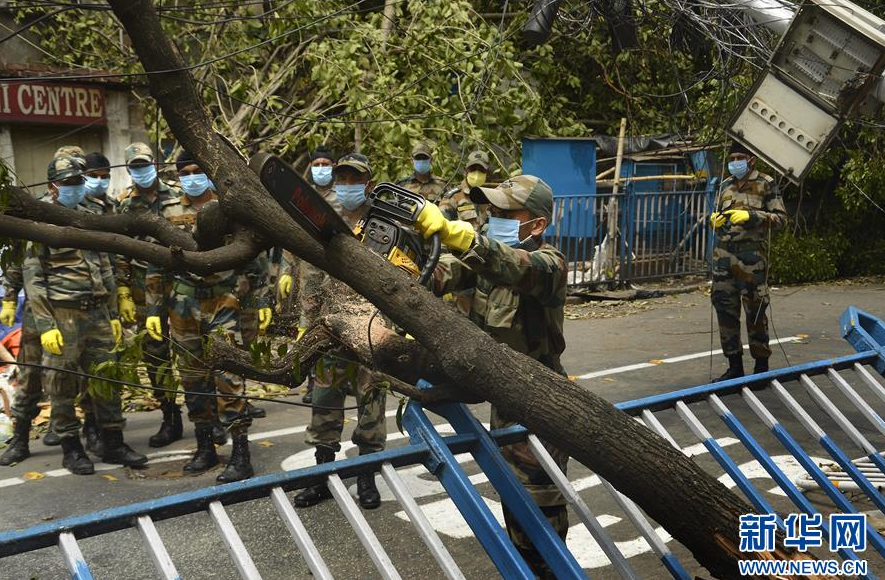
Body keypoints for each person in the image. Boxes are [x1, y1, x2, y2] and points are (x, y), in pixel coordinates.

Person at [412, 175, 569, 580]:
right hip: (502, 398)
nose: (493, 217)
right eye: (491, 211)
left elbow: (513, 266)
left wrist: (461, 236)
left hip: (540, 406)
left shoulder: (549, 264)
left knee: (541, 516)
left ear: (536, 224)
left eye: (505, 212)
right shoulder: (482, 261)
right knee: (513, 505)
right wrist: (406, 260)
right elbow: (442, 272)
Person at [18, 155, 147, 475]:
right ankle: (71, 447)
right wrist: (46, 324)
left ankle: (113, 442)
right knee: (60, 383)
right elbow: (33, 279)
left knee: (107, 377)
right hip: (63, 314)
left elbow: (104, 265)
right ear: (52, 186)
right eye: (68, 184)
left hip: (98, 311)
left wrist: (115, 314)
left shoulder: (89, 216)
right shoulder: (39, 222)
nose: (76, 188)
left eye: (78, 182)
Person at [145, 150, 258, 482]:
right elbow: (155, 262)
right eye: (185, 171)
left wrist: (256, 301)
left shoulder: (229, 209)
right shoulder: (166, 212)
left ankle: (241, 452)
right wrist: (154, 310)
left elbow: (254, 257)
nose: (192, 176)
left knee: (229, 376)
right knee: (193, 379)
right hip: (183, 305)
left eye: (198, 170)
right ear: (178, 177)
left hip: (225, 301)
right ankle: (205, 446)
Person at [292, 153, 385, 510]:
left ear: (369, 184)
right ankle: (321, 478)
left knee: (371, 407)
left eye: (354, 179)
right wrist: (306, 329)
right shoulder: (322, 225)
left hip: (371, 330)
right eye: (341, 179)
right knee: (324, 406)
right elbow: (312, 279)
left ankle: (367, 477)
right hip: (329, 331)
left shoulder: (384, 227)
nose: (347, 186)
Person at [115, 143, 184, 447]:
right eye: (135, 166)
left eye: (145, 164)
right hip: (144, 287)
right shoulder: (124, 205)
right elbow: (119, 251)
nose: (141, 171)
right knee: (155, 353)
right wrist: (123, 290)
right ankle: (170, 416)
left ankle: (209, 413)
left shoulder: (178, 195)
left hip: (182, 281)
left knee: (193, 346)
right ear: (129, 169)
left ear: (155, 164)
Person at [710, 141, 787, 381]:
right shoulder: (725, 185)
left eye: (739, 158)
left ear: (751, 159)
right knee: (725, 311)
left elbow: (781, 219)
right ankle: (734, 367)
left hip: (752, 261)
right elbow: (714, 214)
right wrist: (713, 220)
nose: (735, 163)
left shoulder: (766, 183)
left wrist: (752, 216)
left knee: (755, 311)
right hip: (723, 259)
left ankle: (761, 368)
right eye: (731, 159)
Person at [278, 146, 336, 404]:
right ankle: (311, 380)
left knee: (331, 327)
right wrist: (285, 271)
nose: (321, 168)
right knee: (307, 327)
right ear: (311, 167)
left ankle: (327, 378)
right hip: (308, 273)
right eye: (317, 163)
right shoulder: (301, 197)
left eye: (326, 163)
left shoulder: (341, 197)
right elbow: (291, 236)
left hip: (335, 273)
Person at [439, 149, 491, 229]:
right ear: (466, 170)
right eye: (473, 169)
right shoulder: (452, 198)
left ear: (487, 172)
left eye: (481, 170)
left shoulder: (490, 197)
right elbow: (442, 227)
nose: (477, 173)